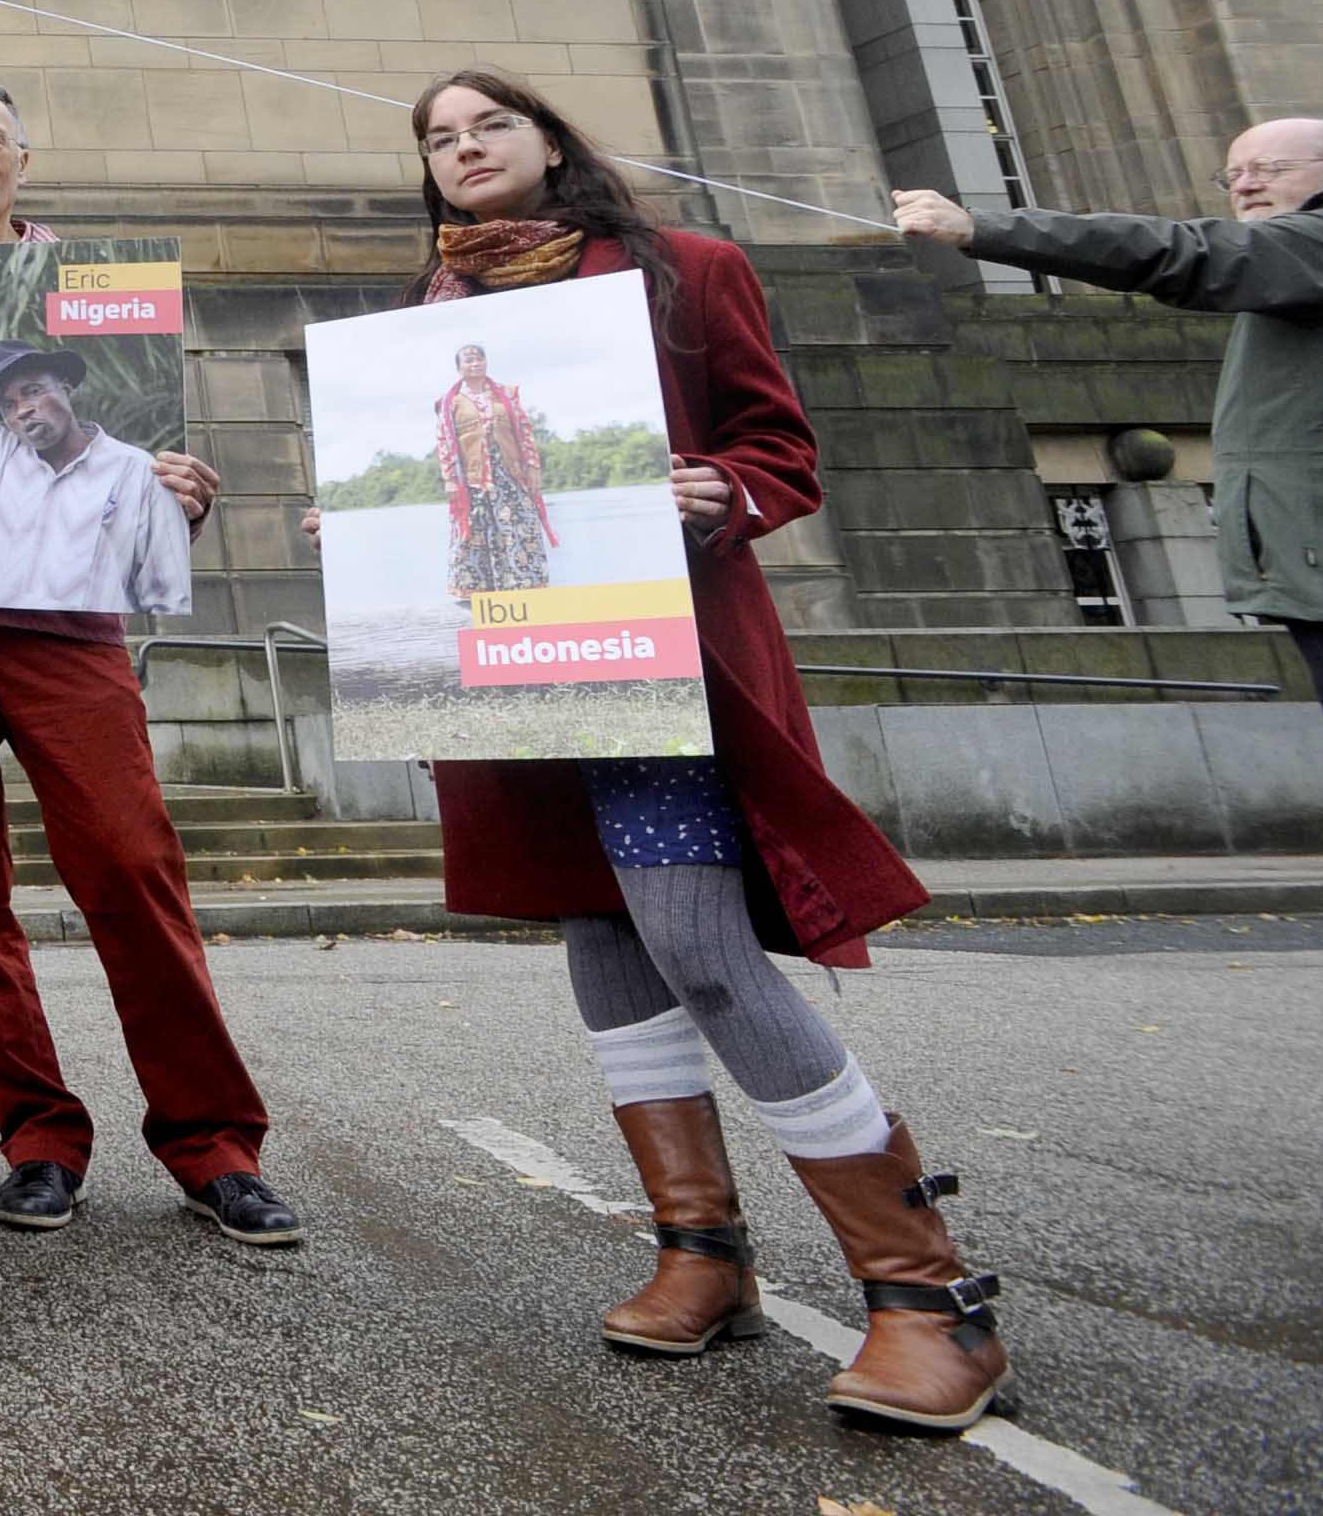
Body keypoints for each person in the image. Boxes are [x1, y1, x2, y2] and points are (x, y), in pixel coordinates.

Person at [351, 69, 1002, 1436]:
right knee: (599, 937)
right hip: (502, 660)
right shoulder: (429, 309)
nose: (462, 150)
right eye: (437, 138)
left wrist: (727, 486)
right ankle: (701, 1254)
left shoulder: (682, 268)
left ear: (547, 142)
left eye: (488, 126)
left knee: (699, 947)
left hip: (655, 651)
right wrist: (369, 527)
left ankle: (925, 1295)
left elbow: (779, 445)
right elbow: (434, 472)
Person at [0, 78, 295, 1247]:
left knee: (131, 866)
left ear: (25, 162)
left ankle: (211, 1140)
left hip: (69, 638)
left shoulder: (102, 292)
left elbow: (159, 478)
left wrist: (177, 491)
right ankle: (36, 1135)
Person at [897, 119, 1323, 739]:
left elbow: (1187, 253)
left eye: (1269, 170)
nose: (1245, 187)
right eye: (1233, 174)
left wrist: (985, 228)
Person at [0, 340, 192, 622]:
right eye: (8, 405)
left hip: (84, 654)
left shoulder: (138, 472)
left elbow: (168, 596)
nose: (22, 411)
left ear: (66, 387)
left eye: (32, 391)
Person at [436, 342, 556, 603]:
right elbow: (444, 442)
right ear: (459, 369)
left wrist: (533, 468)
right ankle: (479, 595)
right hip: (472, 479)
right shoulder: (449, 402)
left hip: (510, 473)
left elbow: (525, 431)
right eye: (468, 360)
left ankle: (524, 587)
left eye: (479, 359)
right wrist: (449, 479)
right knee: (474, 533)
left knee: (519, 527)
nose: (475, 363)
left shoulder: (507, 394)